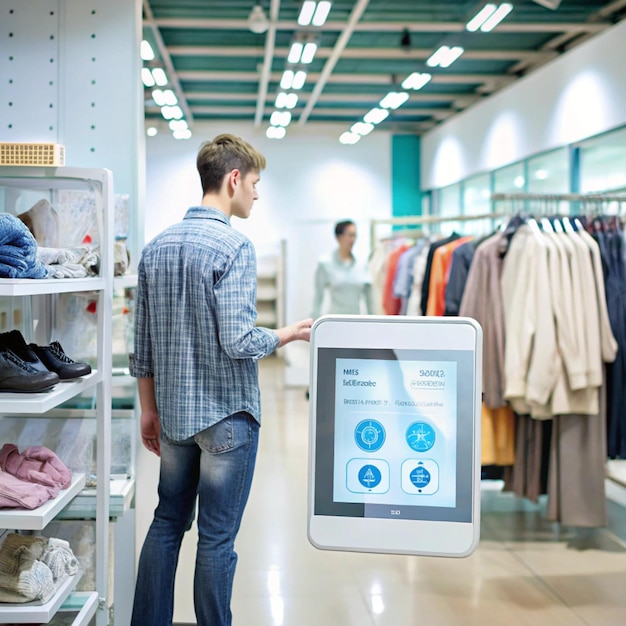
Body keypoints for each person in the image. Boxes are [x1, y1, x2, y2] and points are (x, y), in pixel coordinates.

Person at [129, 133, 312, 626]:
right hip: (226, 417)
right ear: (234, 179)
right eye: (254, 183)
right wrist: (286, 334)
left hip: (173, 418)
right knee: (216, 538)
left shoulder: (156, 248)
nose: (257, 193)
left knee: (167, 522)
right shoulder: (235, 246)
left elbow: (140, 346)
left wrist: (149, 408)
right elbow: (237, 340)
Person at [311, 219, 373, 319]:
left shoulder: (361, 265)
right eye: (350, 235)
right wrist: (312, 325)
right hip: (334, 322)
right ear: (339, 237)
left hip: (356, 322)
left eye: (354, 235)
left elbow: (370, 299)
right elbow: (318, 298)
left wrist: (374, 323)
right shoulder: (325, 264)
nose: (353, 240)